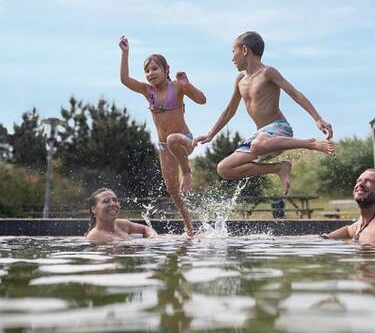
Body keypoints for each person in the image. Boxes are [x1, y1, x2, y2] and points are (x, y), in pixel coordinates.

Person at [195, 31, 335, 195]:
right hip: (260, 136)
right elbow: (229, 111)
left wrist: (317, 118)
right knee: (224, 168)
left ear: (245, 50)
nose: (232, 58)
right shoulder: (240, 80)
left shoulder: (268, 72)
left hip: (278, 129)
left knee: (257, 146)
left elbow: (294, 93)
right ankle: (279, 168)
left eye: (234, 52)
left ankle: (311, 143)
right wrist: (211, 134)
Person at [119, 36, 206, 236]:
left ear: (166, 69)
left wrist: (188, 85)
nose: (151, 73)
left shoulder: (177, 86)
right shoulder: (147, 91)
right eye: (147, 71)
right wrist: (125, 54)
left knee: (173, 139)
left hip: (184, 140)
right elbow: (125, 80)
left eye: (155, 69)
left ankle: (187, 172)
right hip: (164, 147)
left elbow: (202, 100)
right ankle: (189, 227)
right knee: (172, 191)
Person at [86, 188, 158, 242]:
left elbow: (145, 229)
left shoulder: (121, 224)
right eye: (106, 201)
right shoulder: (94, 236)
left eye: (115, 200)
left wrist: (153, 237)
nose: (113, 204)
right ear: (94, 209)